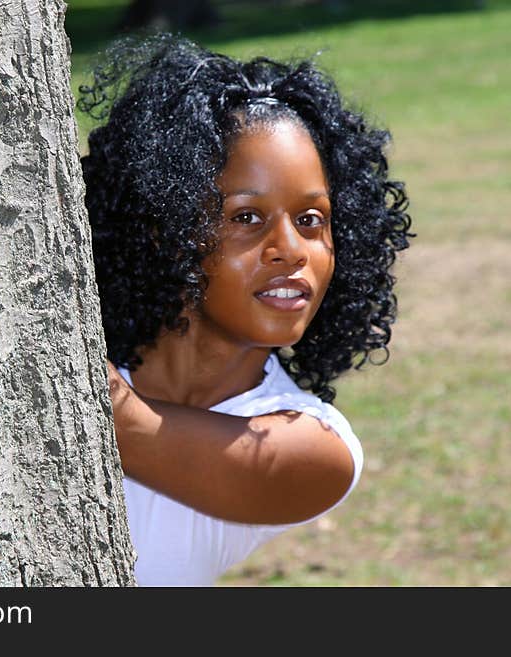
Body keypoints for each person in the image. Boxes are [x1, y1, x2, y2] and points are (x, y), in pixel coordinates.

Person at [78, 35, 413, 586]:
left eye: (311, 220)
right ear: (166, 230)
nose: (291, 249)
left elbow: (116, 425)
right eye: (246, 218)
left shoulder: (316, 448)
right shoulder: (101, 347)